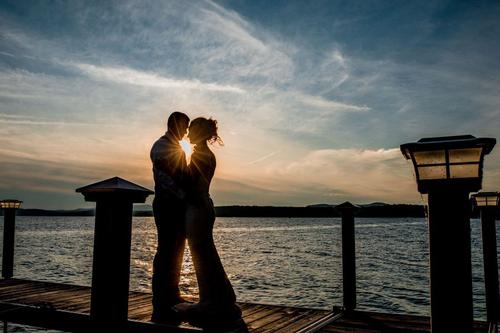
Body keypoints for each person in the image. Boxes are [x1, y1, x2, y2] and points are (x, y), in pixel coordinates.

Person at [174, 117, 242, 329]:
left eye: (192, 129)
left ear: (201, 132)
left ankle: (211, 302)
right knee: (205, 254)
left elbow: (191, 184)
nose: (188, 134)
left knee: (202, 255)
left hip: (197, 208)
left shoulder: (201, 155)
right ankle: (219, 299)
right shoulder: (203, 154)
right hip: (202, 206)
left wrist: (174, 172)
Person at [150, 111, 190, 323]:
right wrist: (185, 196)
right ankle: (161, 298)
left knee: (176, 250)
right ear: (174, 124)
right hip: (167, 205)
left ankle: (172, 294)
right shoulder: (162, 147)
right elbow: (169, 179)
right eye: (184, 126)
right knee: (166, 251)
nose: (186, 131)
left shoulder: (175, 147)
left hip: (175, 205)